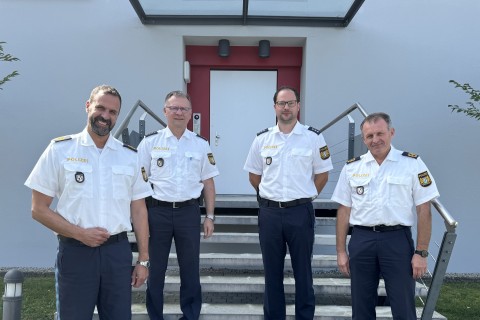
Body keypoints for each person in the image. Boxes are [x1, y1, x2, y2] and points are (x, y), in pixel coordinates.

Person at [24, 85, 152, 320]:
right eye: (100, 108)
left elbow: (139, 210)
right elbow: (38, 209)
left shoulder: (130, 156)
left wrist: (143, 259)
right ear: (87, 106)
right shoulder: (60, 150)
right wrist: (79, 233)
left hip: (117, 254)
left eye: (113, 112)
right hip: (76, 253)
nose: (105, 116)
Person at [331, 112, 440, 319]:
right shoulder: (352, 167)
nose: (375, 140)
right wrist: (340, 251)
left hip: (397, 240)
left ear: (391, 132)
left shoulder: (412, 164)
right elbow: (344, 210)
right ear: (363, 139)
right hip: (362, 240)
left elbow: (424, 209)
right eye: (369, 136)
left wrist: (421, 252)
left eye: (380, 133)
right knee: (361, 306)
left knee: (403, 306)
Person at [243, 86, 333, 320]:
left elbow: (322, 174)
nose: (286, 107)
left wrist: (307, 196)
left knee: (303, 272)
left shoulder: (313, 138)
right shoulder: (262, 139)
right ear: (274, 107)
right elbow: (254, 175)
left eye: (290, 103)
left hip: (300, 213)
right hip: (270, 213)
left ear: (298, 106)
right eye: (281, 103)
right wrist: (267, 196)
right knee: (272, 273)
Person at [137, 90, 219, 320]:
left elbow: (209, 183)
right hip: (157, 213)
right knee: (156, 270)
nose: (179, 113)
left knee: (190, 269)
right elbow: (138, 184)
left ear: (190, 113)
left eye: (183, 108)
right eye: (174, 108)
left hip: (188, 213)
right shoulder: (150, 143)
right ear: (165, 111)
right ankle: (155, 315)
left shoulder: (200, 145)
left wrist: (210, 216)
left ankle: (190, 314)